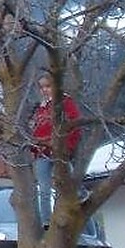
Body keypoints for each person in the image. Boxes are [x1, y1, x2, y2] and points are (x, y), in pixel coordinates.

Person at [30, 70, 80, 221]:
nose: (44, 90)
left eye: (48, 86)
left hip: (60, 151)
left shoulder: (65, 102)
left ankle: (82, 220)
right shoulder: (40, 108)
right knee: (44, 190)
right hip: (42, 153)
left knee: (71, 189)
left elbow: (74, 125)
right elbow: (36, 130)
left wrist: (68, 147)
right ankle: (46, 222)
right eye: (41, 87)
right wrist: (34, 147)